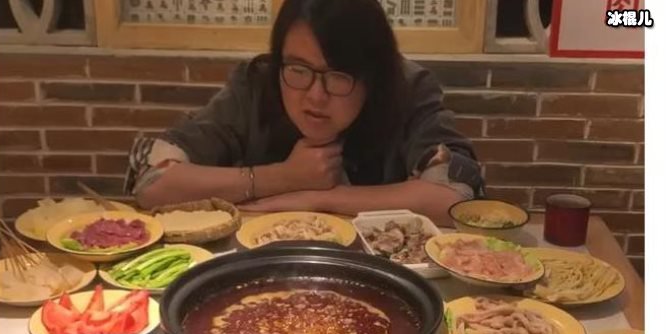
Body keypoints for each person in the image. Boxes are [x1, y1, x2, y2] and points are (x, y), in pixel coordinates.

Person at [125, 0, 484, 226]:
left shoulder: (408, 88)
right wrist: (282, 177)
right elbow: (153, 183)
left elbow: (454, 198)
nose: (315, 95)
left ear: (372, 75)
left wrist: (320, 196)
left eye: (338, 75)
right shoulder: (257, 83)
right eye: (298, 69)